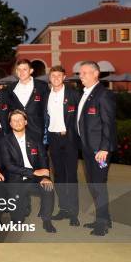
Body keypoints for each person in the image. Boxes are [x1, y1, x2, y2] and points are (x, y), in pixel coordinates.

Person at [77, 61, 117, 236]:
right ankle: (104, 218)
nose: (81, 76)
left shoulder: (103, 94)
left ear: (96, 74)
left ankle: (102, 224)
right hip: (88, 149)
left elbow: (109, 124)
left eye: (85, 73)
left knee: (98, 186)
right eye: (80, 73)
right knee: (93, 185)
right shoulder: (86, 93)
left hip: (99, 151)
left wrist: (104, 148)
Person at [0, 110, 56, 233]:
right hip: (16, 179)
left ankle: (47, 220)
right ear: (10, 124)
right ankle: (22, 207)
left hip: (35, 178)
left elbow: (43, 158)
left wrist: (45, 176)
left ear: (26, 121)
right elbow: (9, 166)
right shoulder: (4, 141)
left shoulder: (35, 138)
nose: (17, 122)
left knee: (48, 188)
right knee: (17, 220)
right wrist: (34, 172)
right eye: (14, 120)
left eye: (20, 119)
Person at [44, 65, 81, 226]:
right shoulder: (46, 96)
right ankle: (63, 208)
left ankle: (73, 213)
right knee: (58, 176)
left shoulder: (73, 94)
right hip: (53, 139)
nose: (56, 78)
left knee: (71, 176)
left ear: (64, 77)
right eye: (53, 76)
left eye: (59, 76)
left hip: (70, 139)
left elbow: (81, 118)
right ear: (50, 78)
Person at [7, 59, 49, 143]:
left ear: (31, 70)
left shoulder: (42, 86)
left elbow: (46, 108)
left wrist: (45, 130)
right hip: (18, 129)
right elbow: (9, 108)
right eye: (19, 69)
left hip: (37, 129)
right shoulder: (11, 87)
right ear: (16, 71)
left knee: (39, 154)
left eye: (24, 69)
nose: (21, 72)